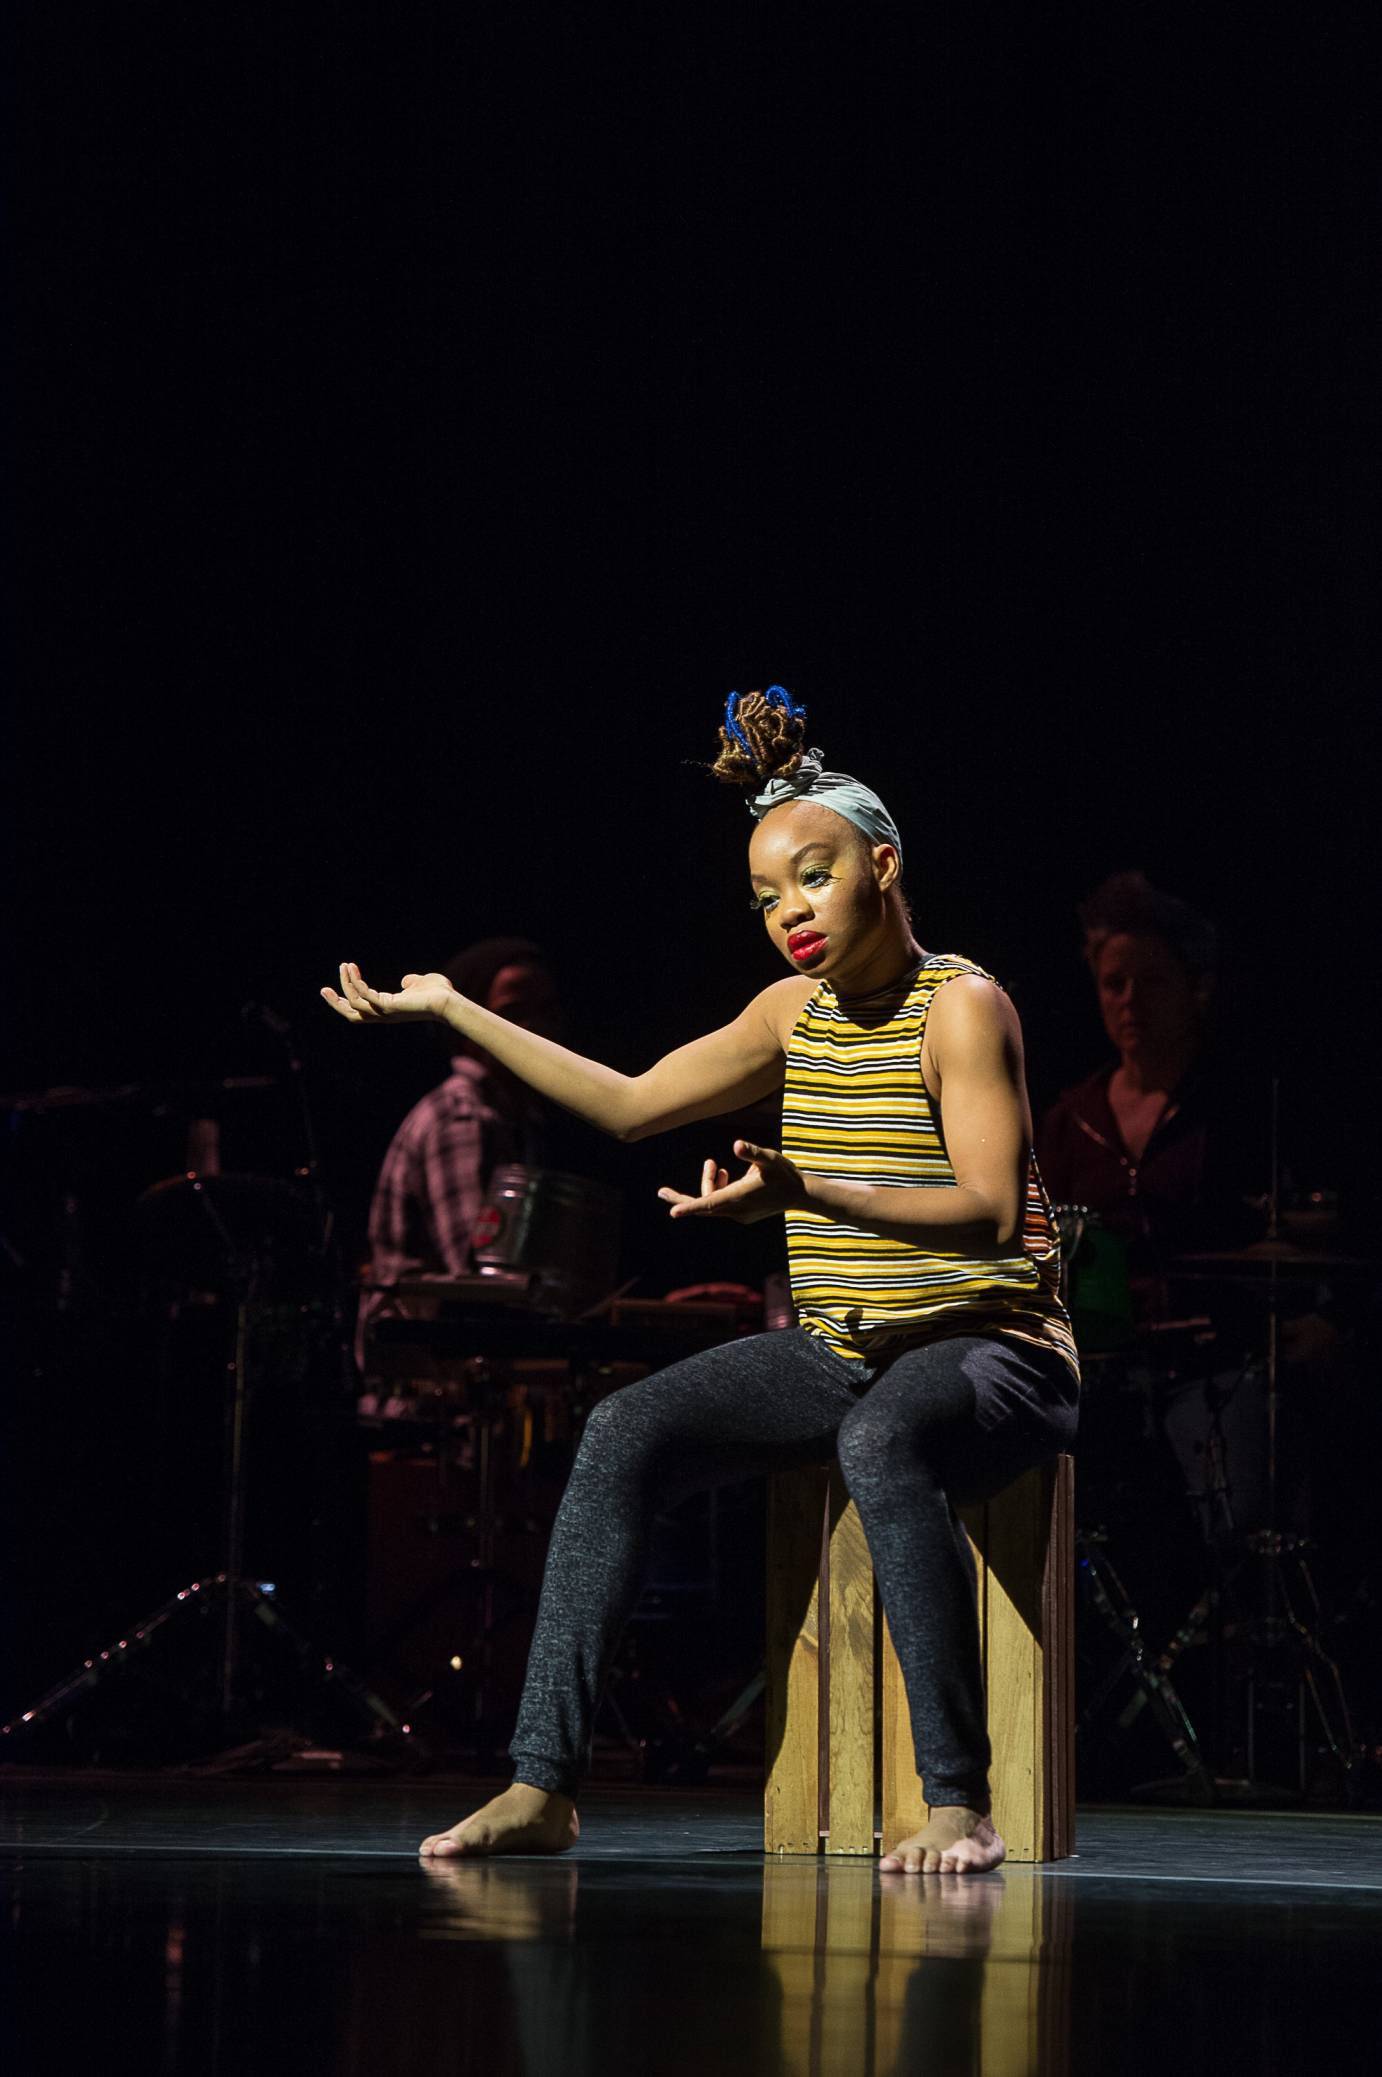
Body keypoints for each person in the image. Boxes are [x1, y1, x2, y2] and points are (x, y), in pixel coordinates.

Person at [323, 685, 1079, 1875]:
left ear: (883, 862)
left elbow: (989, 1213)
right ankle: (542, 1784)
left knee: (881, 1438)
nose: (790, 914)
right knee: (623, 1429)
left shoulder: (963, 1007)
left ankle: (955, 1802)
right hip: (844, 1345)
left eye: (814, 877)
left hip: (995, 1351)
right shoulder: (790, 1013)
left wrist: (805, 1193)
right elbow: (627, 1104)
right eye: (767, 897)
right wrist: (456, 1010)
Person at [354, 939, 561, 1376]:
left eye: (545, 1010)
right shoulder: (462, 1119)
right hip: (430, 1401)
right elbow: (481, 1279)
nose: (534, 1027)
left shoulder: (515, 1116)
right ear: (468, 1023)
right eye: (513, 1012)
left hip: (464, 1380)